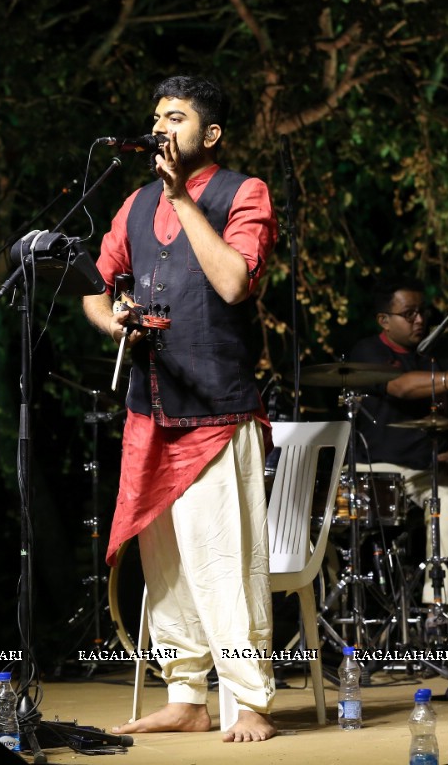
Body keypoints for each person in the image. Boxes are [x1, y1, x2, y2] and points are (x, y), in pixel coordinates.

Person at [82, 76, 278, 742]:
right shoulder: (134, 204)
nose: (161, 125)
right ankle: (187, 693)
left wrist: (181, 199)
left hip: (218, 411)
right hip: (151, 408)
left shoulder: (242, 193)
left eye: (177, 116)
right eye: (156, 114)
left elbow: (233, 281)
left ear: (211, 134)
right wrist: (116, 323)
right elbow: (95, 286)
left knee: (225, 561)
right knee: (163, 565)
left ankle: (249, 700)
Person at [348, 277, 448, 607]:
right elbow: (401, 386)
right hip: (379, 469)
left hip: (434, 469)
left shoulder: (441, 353)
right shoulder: (368, 351)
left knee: (447, 506)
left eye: (422, 312)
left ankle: (437, 612)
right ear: (384, 320)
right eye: (409, 313)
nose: (420, 320)